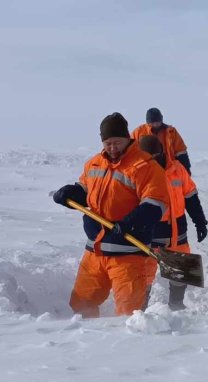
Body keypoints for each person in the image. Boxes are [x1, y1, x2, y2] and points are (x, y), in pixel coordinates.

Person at [52, 112, 169, 318]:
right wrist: (70, 193)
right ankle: (85, 345)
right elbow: (85, 189)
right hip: (95, 251)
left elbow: (155, 204)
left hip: (129, 254)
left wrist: (130, 223)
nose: (112, 148)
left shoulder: (144, 166)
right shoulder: (94, 164)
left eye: (117, 142)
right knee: (81, 305)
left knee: (128, 314)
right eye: (108, 143)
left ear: (127, 139)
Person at [137, 135, 208, 311]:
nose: (151, 161)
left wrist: (200, 222)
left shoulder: (177, 169)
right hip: (148, 231)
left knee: (182, 271)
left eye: (154, 157)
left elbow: (191, 198)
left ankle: (176, 305)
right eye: (147, 158)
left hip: (177, 230)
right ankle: (140, 310)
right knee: (143, 275)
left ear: (161, 153)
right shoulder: (136, 171)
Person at [131, 107, 193, 175]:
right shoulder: (138, 132)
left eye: (158, 122)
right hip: (146, 170)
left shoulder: (171, 132)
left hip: (169, 169)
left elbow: (180, 151)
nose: (156, 125)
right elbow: (131, 152)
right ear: (148, 122)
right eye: (153, 123)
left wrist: (186, 168)